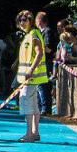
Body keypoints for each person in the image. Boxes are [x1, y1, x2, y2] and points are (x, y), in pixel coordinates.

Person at [15, 10, 48, 142]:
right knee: (33, 104)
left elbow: (39, 53)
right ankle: (35, 132)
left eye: (24, 20)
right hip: (29, 77)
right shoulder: (28, 35)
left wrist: (31, 69)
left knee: (26, 102)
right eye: (20, 20)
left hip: (31, 76)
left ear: (31, 21)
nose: (22, 22)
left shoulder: (34, 34)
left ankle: (29, 133)